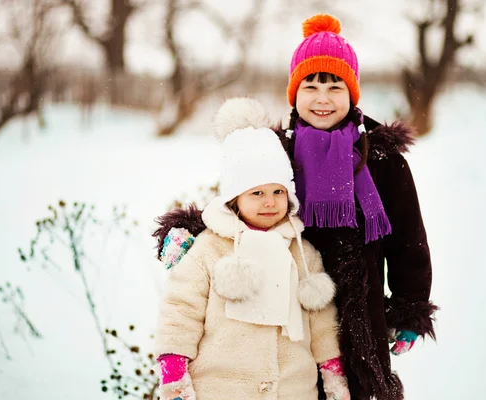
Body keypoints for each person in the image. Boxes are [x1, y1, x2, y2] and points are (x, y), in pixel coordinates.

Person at [154, 14, 438, 400]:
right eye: (311, 85)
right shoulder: (274, 149)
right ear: (294, 91)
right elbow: (240, 201)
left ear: (352, 93)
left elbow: (408, 240)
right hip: (287, 307)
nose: (323, 98)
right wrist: (189, 230)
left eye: (335, 85)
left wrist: (410, 307)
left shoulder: (382, 159)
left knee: (353, 389)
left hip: (357, 311)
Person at [154, 97, 351, 400]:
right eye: (257, 193)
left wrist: (332, 370)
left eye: (277, 192)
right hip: (221, 390)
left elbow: (322, 319)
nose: (269, 202)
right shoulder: (210, 247)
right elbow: (181, 309)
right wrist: (174, 374)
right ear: (234, 198)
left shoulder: (301, 251)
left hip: (293, 390)